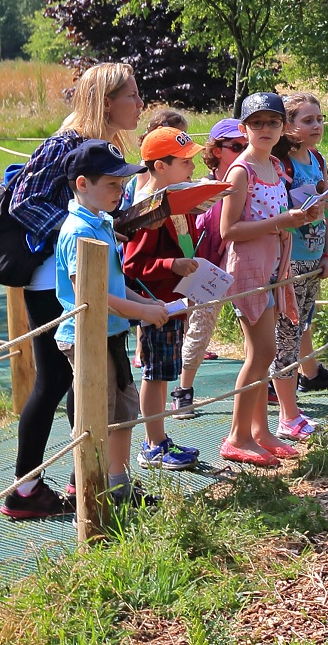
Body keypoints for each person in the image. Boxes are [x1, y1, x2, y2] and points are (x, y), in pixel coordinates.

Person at [1, 62, 143, 521]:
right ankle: (25, 489)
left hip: (83, 272)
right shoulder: (68, 144)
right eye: (132, 96)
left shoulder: (104, 146)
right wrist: (77, 237)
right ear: (106, 101)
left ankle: (84, 476)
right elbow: (22, 200)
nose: (140, 104)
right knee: (55, 379)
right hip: (52, 279)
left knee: (79, 379)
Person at [52, 138, 170, 505]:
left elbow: (113, 284)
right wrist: (144, 312)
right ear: (82, 184)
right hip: (87, 338)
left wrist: (148, 303)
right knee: (95, 420)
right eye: (112, 184)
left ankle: (118, 484)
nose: (120, 192)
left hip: (113, 333)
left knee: (123, 411)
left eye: (122, 184)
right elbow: (92, 297)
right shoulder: (79, 231)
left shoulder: (101, 221)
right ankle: (89, 495)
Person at [218, 93, 324, 466]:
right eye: (257, 123)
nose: (265, 129)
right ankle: (237, 436)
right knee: (261, 351)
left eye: (273, 122)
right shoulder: (241, 171)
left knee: (262, 353)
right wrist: (283, 222)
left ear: (283, 128)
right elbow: (229, 229)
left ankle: (260, 432)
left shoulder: (275, 166)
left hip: (274, 267)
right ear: (244, 128)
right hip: (249, 270)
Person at [120, 127, 209, 469]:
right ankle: (153, 443)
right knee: (154, 375)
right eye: (184, 161)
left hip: (176, 301)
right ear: (159, 166)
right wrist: (173, 264)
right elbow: (133, 264)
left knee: (163, 374)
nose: (192, 166)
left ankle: (158, 439)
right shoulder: (149, 211)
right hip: (156, 304)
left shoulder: (178, 199)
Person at [270, 94, 328, 440]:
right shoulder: (281, 165)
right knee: (284, 335)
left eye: (318, 119)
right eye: (307, 120)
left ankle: (292, 407)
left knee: (300, 328)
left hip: (314, 258)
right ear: (288, 126)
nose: (316, 126)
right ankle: (287, 415)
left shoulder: (317, 159)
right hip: (289, 259)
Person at [173, 118, 244, 418]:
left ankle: (263, 380)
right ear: (216, 151)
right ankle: (183, 391)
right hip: (208, 267)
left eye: (246, 146)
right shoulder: (203, 189)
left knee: (256, 323)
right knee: (200, 327)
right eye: (236, 146)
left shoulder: (251, 180)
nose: (243, 152)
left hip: (242, 263)